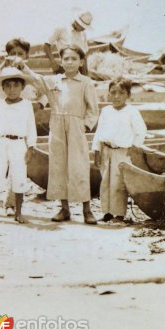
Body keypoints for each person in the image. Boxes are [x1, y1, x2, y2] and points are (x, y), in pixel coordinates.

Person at [31, 45, 99, 224]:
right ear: (61, 61)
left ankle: (87, 209)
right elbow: (36, 79)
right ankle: (64, 208)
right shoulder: (54, 81)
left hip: (76, 126)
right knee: (58, 165)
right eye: (66, 58)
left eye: (74, 59)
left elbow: (93, 110)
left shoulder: (86, 82)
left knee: (79, 166)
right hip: (57, 124)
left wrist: (84, 126)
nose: (69, 62)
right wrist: (22, 67)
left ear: (81, 62)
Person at [0, 37, 48, 213]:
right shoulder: (2, 73)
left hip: (20, 126)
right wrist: (3, 64)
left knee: (17, 170)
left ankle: (10, 205)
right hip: (1, 123)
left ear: (27, 56)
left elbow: (44, 88)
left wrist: (39, 104)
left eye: (20, 54)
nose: (16, 57)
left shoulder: (27, 75)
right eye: (12, 54)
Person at [0, 68, 37, 224]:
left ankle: (18, 212)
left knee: (19, 176)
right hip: (0, 142)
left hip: (19, 143)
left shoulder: (26, 105)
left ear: (22, 87)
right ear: (3, 88)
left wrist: (31, 147)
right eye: (8, 86)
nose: (12, 89)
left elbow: (31, 127)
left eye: (15, 85)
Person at [92, 78, 147, 223]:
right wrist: (96, 150)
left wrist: (134, 148)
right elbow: (99, 132)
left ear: (128, 94)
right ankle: (107, 212)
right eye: (113, 93)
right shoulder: (105, 111)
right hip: (106, 151)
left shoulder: (131, 112)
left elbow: (141, 131)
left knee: (118, 183)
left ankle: (119, 214)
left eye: (121, 93)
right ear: (108, 94)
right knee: (105, 182)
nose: (116, 96)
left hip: (123, 152)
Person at [44, 9, 92, 75]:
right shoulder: (61, 28)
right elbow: (47, 44)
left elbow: (85, 52)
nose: (84, 29)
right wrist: (53, 62)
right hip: (65, 65)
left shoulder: (83, 33)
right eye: (83, 26)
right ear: (77, 23)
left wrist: (85, 72)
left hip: (79, 67)